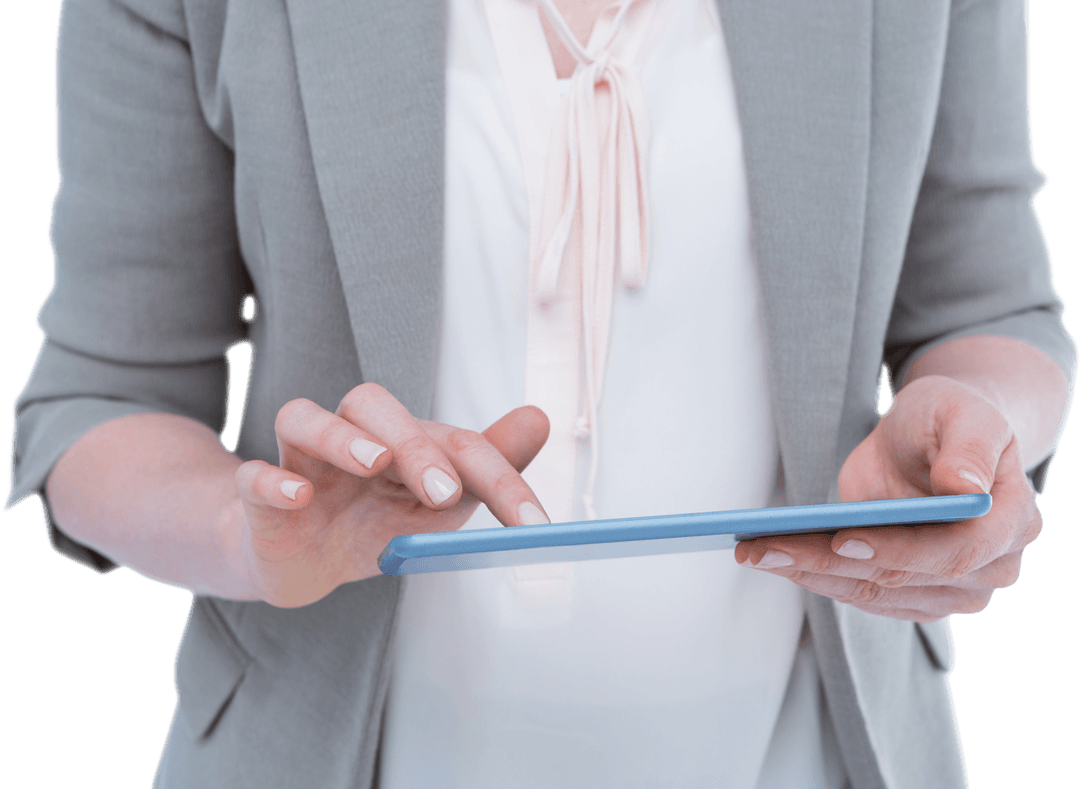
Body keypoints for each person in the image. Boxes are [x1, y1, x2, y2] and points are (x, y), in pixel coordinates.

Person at [4, 0, 1074, 787]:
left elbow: (997, 312)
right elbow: (100, 398)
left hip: (810, 756)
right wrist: (247, 534)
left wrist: (972, 433)